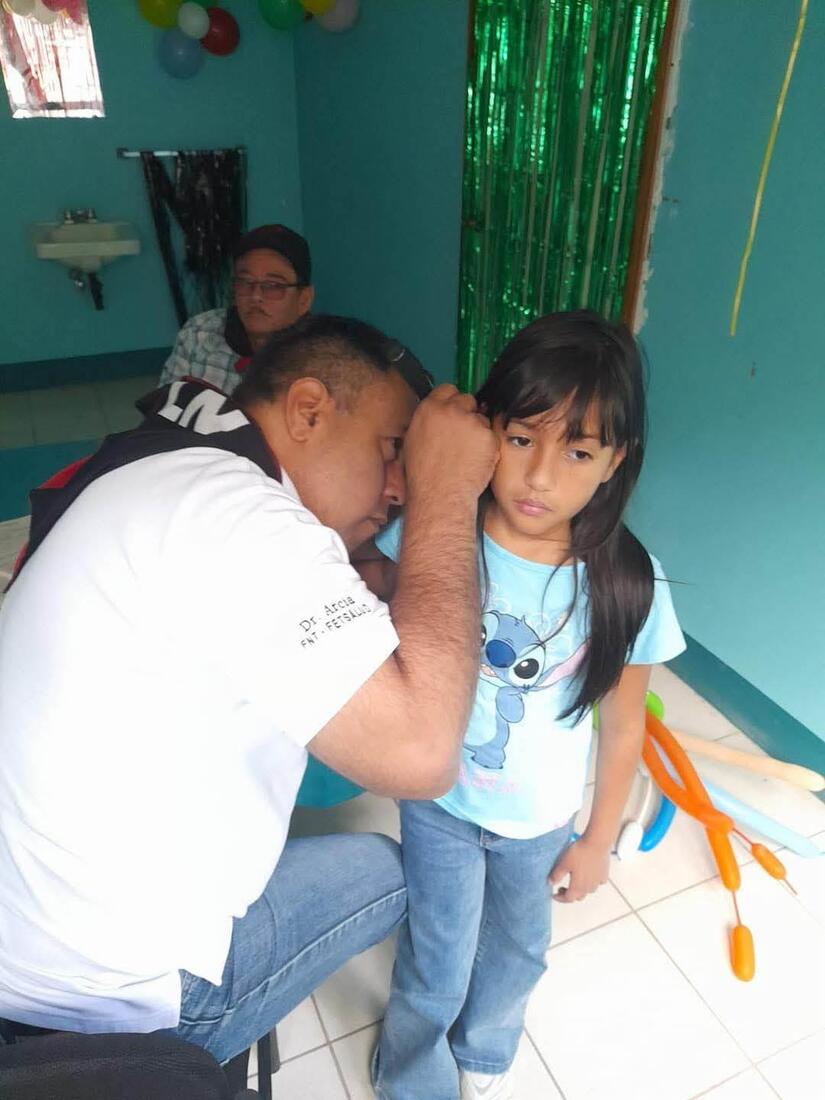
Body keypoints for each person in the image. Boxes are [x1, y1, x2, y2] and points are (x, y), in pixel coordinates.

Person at [0, 315, 497, 1068]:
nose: (400, 489)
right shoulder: (243, 515)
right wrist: (449, 492)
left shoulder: (173, 464)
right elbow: (423, 755)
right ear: (308, 410)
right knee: (387, 871)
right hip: (103, 1005)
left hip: (26, 928)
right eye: (393, 449)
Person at [360, 311, 686, 1100]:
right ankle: (410, 1072)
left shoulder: (626, 583)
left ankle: (484, 1052)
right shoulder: (439, 533)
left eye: (577, 451)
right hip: (438, 803)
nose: (539, 477)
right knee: (436, 950)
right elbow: (379, 614)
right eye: (519, 439)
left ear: (614, 461)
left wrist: (597, 838)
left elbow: (623, 726)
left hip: (538, 821)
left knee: (516, 949)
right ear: (487, 432)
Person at [159, 223, 315, 393]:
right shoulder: (199, 334)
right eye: (245, 282)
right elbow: (165, 405)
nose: (255, 296)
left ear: (304, 300)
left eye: (273, 285)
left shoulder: (323, 356)